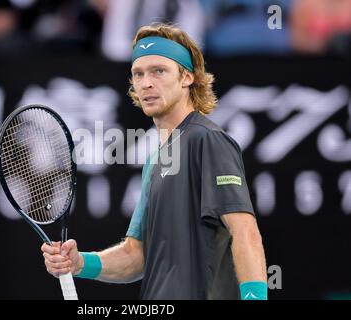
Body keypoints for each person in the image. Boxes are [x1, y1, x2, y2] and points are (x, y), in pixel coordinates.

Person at [42, 22, 268, 300]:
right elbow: (137, 255)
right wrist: (80, 264)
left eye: (159, 71)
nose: (146, 82)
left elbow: (245, 233)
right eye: (138, 74)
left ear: (186, 77)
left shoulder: (207, 140)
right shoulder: (156, 159)